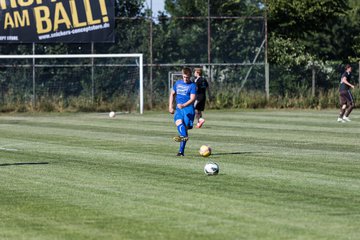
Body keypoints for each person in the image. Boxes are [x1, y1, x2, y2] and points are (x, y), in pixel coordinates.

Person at [169, 67, 196, 156]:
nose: (185, 79)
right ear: (182, 75)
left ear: (190, 76)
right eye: (184, 77)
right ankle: (183, 140)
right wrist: (170, 106)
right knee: (179, 123)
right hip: (179, 109)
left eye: (187, 77)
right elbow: (172, 94)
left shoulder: (192, 86)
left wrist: (184, 105)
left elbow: (192, 99)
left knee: (185, 129)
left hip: (189, 110)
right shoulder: (178, 83)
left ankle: (181, 151)